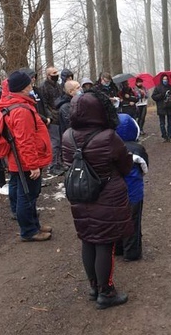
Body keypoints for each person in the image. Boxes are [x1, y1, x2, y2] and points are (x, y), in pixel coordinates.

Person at [62, 89, 133, 309]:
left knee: (88, 239)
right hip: (107, 195)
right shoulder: (109, 137)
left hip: (79, 193)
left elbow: (66, 164)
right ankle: (107, 291)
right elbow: (125, 165)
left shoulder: (67, 136)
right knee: (105, 242)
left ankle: (93, 287)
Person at [0, 71, 54, 242]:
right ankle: (28, 231)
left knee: (28, 194)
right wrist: (32, 164)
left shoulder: (17, 104)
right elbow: (25, 141)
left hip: (19, 160)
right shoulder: (20, 110)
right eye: (29, 84)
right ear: (22, 88)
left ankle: (34, 224)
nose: (32, 86)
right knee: (27, 195)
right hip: (25, 162)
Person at [114, 113, 148, 261]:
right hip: (134, 193)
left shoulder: (110, 148)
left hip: (115, 192)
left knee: (117, 220)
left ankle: (118, 248)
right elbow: (145, 169)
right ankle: (132, 252)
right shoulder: (138, 149)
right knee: (133, 221)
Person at [39, 67, 65, 175]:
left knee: (60, 141)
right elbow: (43, 104)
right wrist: (49, 116)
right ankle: (52, 165)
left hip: (60, 115)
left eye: (56, 72)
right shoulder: (43, 87)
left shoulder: (58, 86)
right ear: (48, 75)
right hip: (52, 118)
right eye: (54, 73)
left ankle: (59, 163)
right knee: (55, 142)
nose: (56, 74)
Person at [150, 74, 171, 142]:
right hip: (161, 107)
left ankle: (170, 136)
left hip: (170, 107)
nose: (165, 80)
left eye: (166, 79)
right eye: (164, 79)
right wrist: (162, 95)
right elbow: (154, 97)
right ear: (162, 79)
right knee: (162, 123)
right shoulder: (158, 88)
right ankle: (164, 136)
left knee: (170, 123)